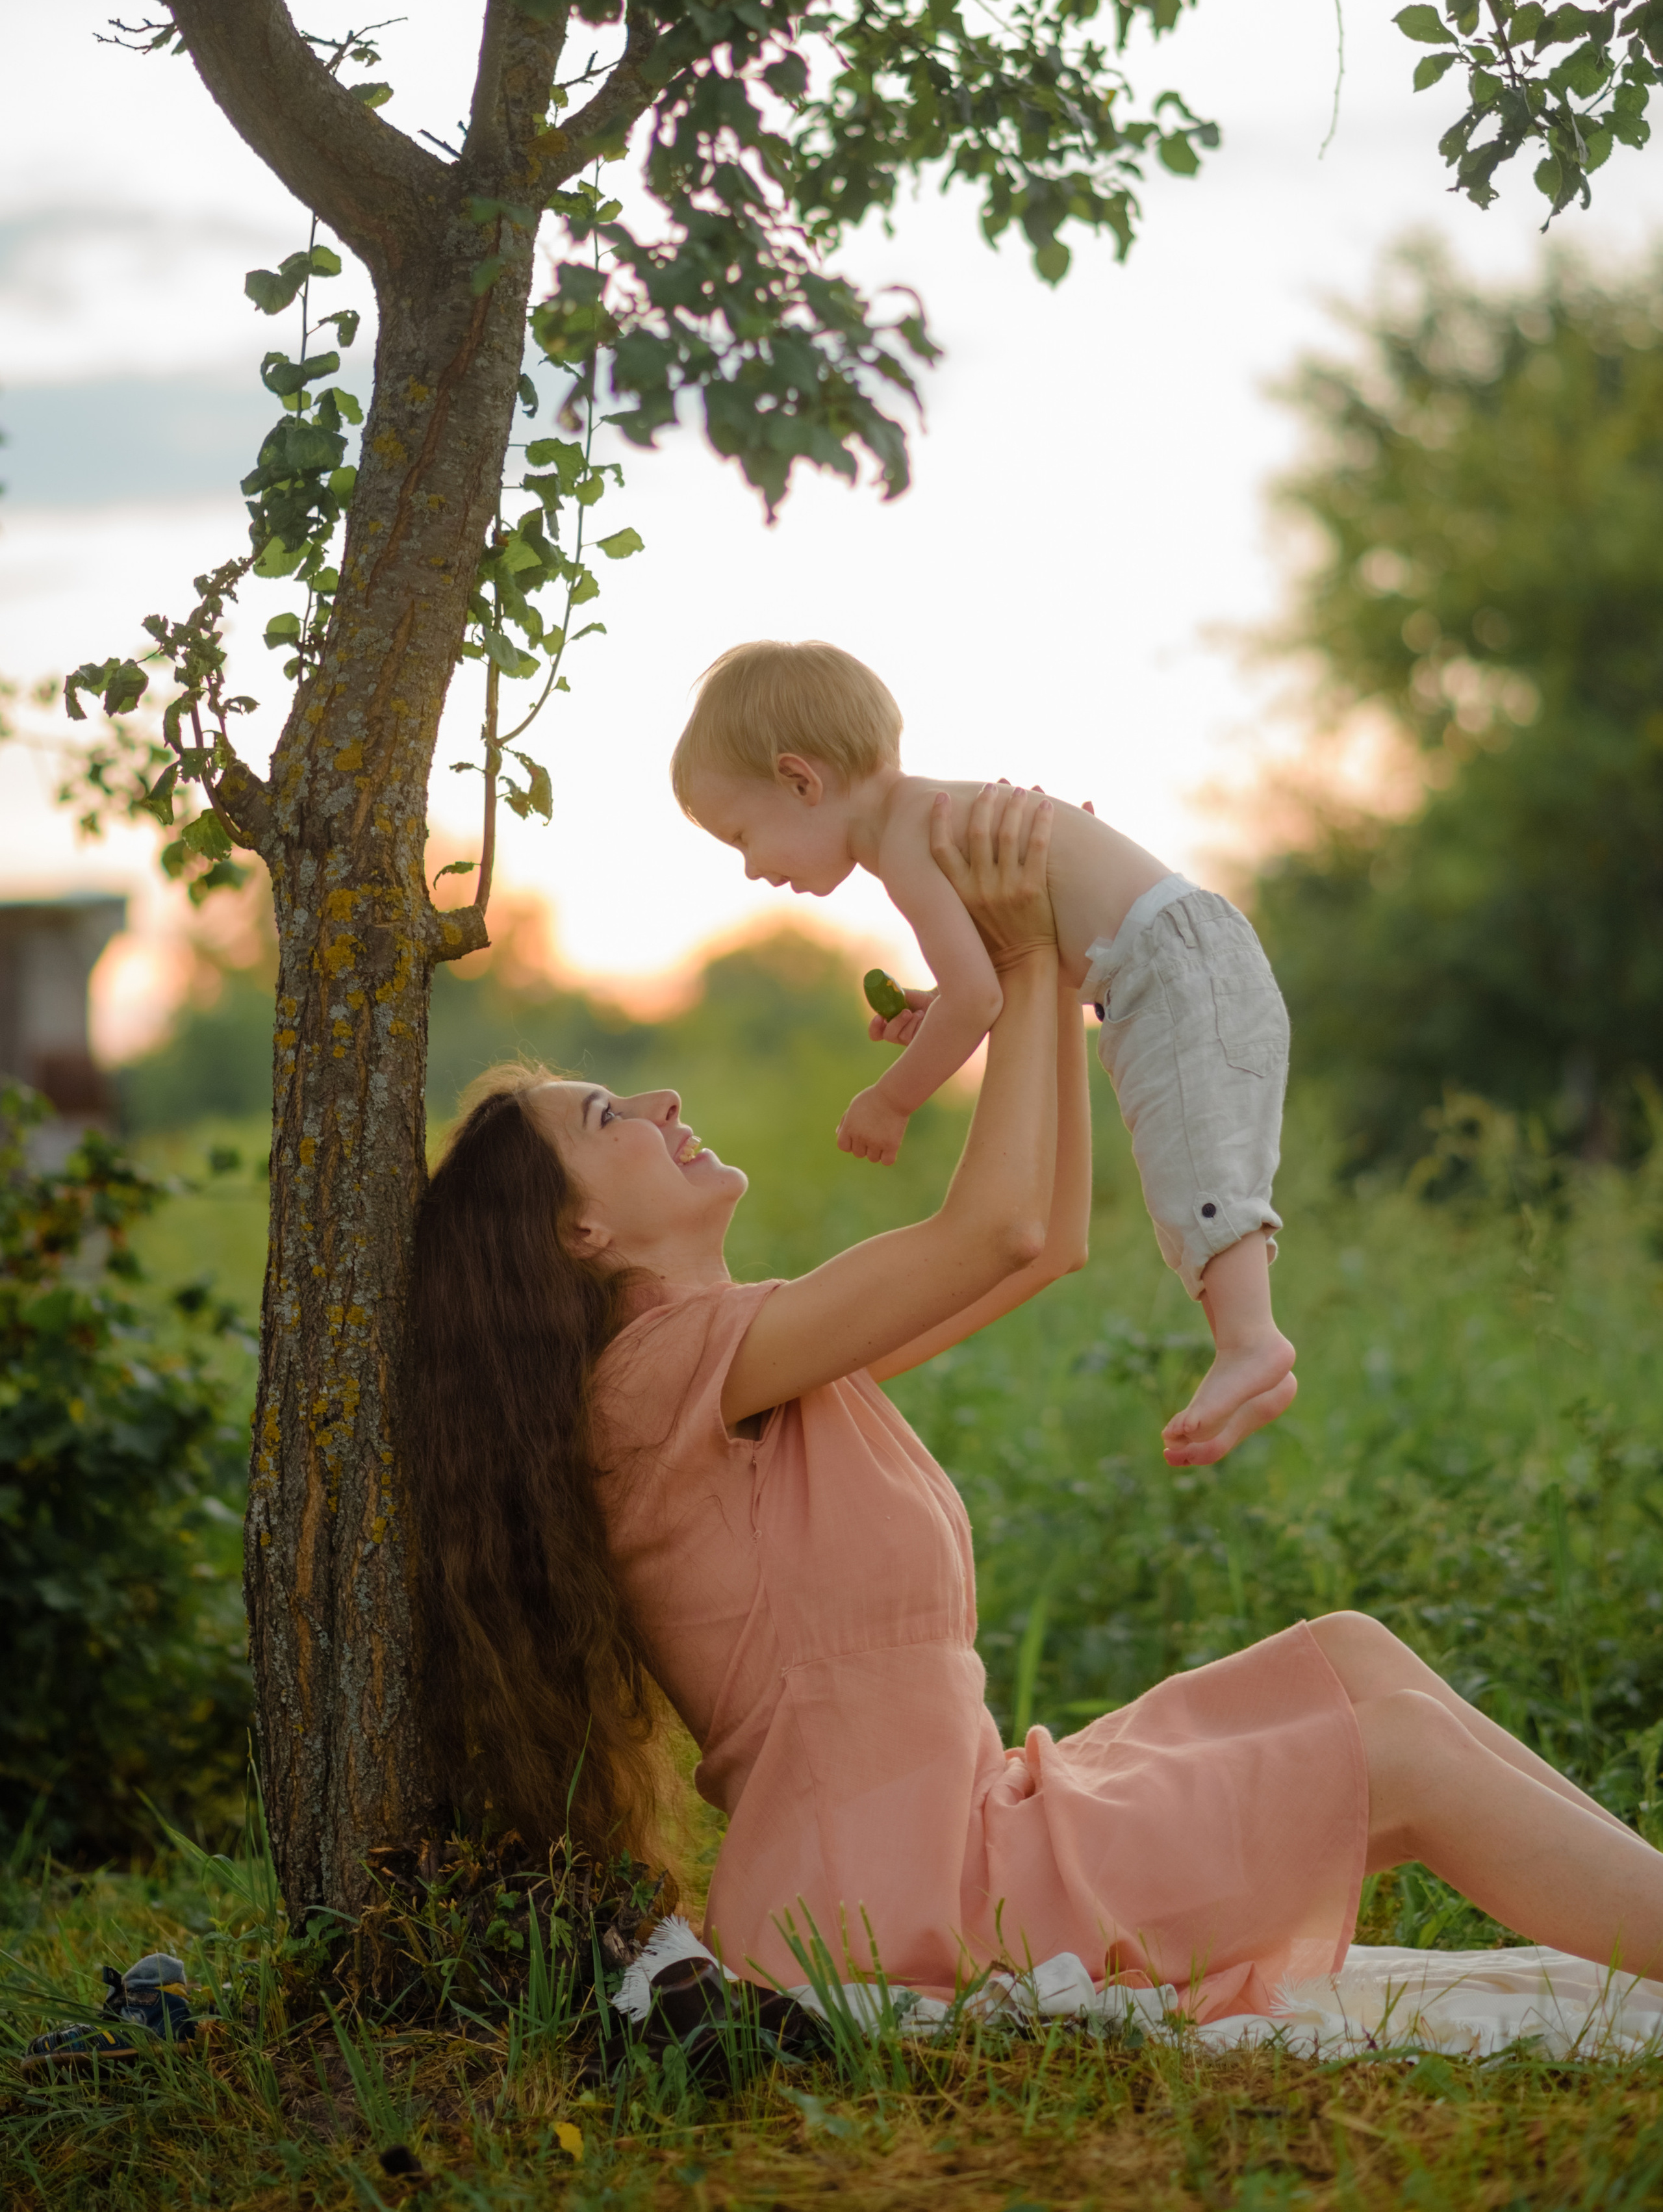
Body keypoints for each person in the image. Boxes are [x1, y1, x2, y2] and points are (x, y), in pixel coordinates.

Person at [405, 785, 1663, 2021]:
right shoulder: (652, 1379)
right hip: (900, 1898)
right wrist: (1009, 959)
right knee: (1397, 1755)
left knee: (1348, 1654)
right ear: (579, 1231)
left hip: (958, 1829)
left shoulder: (745, 1361)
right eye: (609, 1115)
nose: (663, 1103)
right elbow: (995, 1225)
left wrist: (1045, 968)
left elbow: (1044, 1242)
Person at [670, 637, 1291, 1468]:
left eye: (743, 835)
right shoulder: (927, 818)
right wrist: (943, 1007)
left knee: (1198, 1161)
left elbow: (981, 999)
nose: (751, 868)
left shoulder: (906, 840)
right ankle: (1249, 1356)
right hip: (1172, 965)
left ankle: (1250, 1342)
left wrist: (890, 1099)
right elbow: (985, 981)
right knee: (1188, 1161)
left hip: (1173, 970)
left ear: (800, 781)